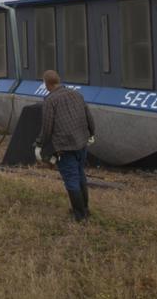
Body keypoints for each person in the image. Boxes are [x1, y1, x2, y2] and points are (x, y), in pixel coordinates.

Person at [34, 69, 96, 222]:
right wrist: (91, 133)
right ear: (59, 81)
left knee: (71, 180)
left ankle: (80, 216)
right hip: (81, 143)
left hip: (65, 147)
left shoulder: (50, 100)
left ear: (47, 84)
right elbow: (89, 116)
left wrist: (39, 144)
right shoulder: (77, 94)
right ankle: (85, 209)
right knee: (80, 175)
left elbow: (47, 127)